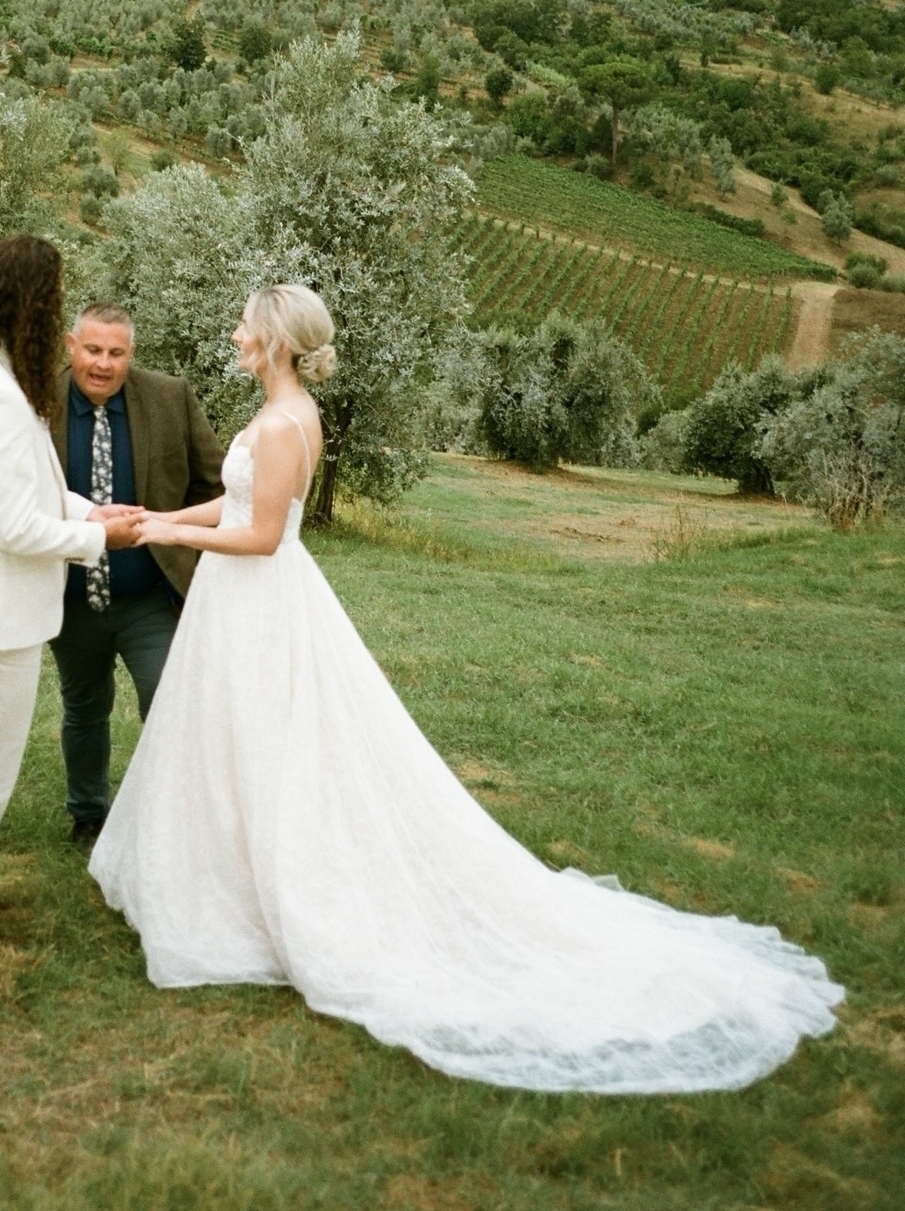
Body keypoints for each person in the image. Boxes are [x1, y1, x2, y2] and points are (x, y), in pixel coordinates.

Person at [90, 284, 844, 1093]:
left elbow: (265, 534)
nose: (236, 333)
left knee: (269, 742)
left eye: (246, 324)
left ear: (274, 340)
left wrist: (165, 531)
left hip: (259, 600)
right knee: (238, 741)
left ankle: (269, 890)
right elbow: (237, 500)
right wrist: (164, 510)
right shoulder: (283, 412)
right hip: (238, 606)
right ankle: (227, 868)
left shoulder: (281, 422)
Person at [0, 236, 142, 948]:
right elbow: (15, 525)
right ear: (31, 301)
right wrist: (97, 540)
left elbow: (36, 490)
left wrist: (90, 511)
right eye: (55, 295)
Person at [50, 301, 225, 844]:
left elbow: (215, 487)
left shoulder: (170, 398)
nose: (103, 364)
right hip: (68, 598)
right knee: (84, 707)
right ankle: (89, 812)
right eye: (93, 350)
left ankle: (168, 812)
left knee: (167, 699)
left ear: (131, 354)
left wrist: (185, 553)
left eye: (116, 353)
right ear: (70, 346)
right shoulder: (36, 402)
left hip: (151, 597)